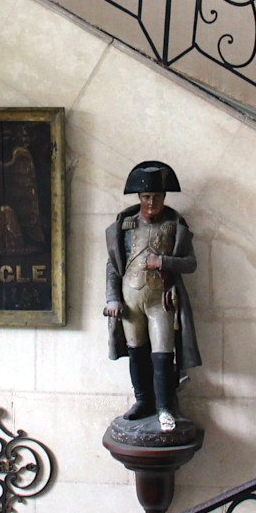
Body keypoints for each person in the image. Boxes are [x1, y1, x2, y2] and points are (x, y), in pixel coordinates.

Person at [104, 160, 201, 432]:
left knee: (162, 354)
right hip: (131, 300)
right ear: (139, 197)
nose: (150, 202)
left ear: (163, 197)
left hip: (161, 301)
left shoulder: (174, 225)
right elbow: (113, 265)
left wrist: (164, 262)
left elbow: (191, 263)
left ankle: (164, 407)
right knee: (137, 353)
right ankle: (143, 401)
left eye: (156, 197)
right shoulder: (126, 225)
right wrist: (113, 298)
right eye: (146, 197)